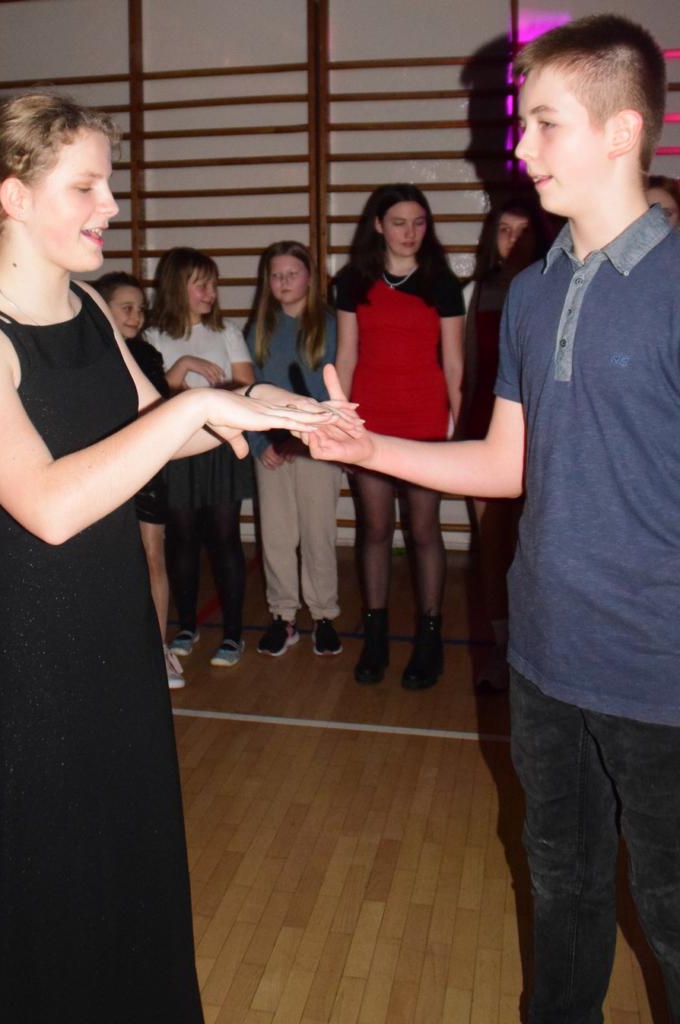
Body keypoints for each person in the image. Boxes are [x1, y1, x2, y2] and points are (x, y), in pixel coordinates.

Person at [0, 94, 350, 1023]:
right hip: (30, 654)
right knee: (48, 899)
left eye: (108, 184)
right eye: (87, 186)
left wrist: (270, 407)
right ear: (12, 195)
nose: (111, 205)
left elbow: (156, 427)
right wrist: (196, 410)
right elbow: (50, 507)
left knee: (128, 870)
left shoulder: (87, 309)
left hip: (116, 633)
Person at [303, 16, 680, 1021]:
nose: (519, 147)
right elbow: (505, 463)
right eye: (523, 124)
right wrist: (369, 449)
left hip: (661, 671)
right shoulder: (531, 288)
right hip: (547, 655)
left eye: (545, 123)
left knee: (673, 913)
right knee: (561, 884)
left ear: (623, 131)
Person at [334, 184, 464, 688]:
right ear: (378, 225)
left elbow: (454, 365)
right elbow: (347, 356)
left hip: (425, 421)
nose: (410, 232)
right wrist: (340, 421)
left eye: (419, 222)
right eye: (399, 222)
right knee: (374, 529)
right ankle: (376, 639)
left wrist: (460, 431)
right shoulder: (352, 281)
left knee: (424, 530)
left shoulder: (442, 283)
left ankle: (430, 641)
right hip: (370, 420)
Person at [144, 246, 256, 668]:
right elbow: (153, 396)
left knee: (225, 537)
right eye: (201, 285)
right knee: (183, 538)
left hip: (222, 447)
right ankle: (187, 626)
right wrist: (186, 369)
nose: (211, 293)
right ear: (178, 287)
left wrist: (208, 399)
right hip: (175, 449)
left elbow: (246, 386)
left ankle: (233, 634)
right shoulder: (154, 337)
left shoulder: (227, 331)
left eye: (213, 284)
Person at [461, 197, 550, 691]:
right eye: (504, 230)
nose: (513, 240)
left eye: (523, 230)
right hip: (487, 422)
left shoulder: (553, 284)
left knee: (535, 545)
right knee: (492, 547)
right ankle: (502, 649)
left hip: (542, 428)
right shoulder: (480, 291)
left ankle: (538, 651)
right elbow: (471, 367)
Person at [245, 240, 343, 657]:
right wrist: (260, 442)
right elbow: (246, 391)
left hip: (317, 446)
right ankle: (282, 616)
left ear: (310, 278)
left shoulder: (331, 326)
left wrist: (301, 438)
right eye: (276, 275)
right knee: (277, 535)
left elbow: (332, 391)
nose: (284, 282)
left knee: (318, 532)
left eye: (292, 274)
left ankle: (323, 615)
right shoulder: (258, 329)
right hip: (270, 448)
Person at [94, 270, 184, 688]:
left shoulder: (147, 355)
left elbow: (159, 411)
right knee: (105, 559)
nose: (136, 315)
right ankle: (110, 648)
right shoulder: (88, 353)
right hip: (102, 467)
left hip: (146, 466)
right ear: (103, 309)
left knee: (152, 555)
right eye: (126, 308)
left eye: (140, 309)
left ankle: (157, 648)